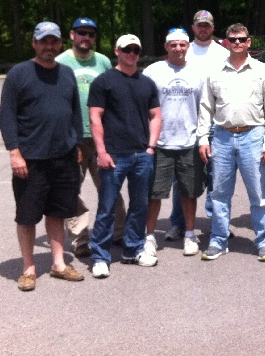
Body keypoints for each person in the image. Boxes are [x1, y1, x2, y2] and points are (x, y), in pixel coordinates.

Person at [0, 21, 85, 291]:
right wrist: (15, 152)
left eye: (54, 41)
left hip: (63, 156)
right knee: (27, 215)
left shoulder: (67, 73)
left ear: (60, 43)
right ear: (34, 43)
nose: (49, 46)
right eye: (44, 41)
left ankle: (58, 264)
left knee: (57, 212)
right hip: (30, 159)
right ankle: (28, 268)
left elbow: (74, 113)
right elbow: (6, 117)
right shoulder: (19, 74)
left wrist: (77, 144)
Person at [197, 23, 265, 261]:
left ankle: (264, 241)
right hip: (221, 136)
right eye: (232, 40)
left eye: (242, 39)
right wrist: (203, 138)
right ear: (226, 42)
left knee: (258, 194)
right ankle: (218, 240)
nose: (237, 44)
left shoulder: (262, 70)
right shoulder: (215, 71)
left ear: (249, 42)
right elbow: (205, 107)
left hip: (253, 136)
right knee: (219, 193)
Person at [87, 34, 162, 278]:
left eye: (136, 50)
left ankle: (133, 249)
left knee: (140, 205)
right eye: (127, 49)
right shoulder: (103, 81)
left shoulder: (147, 83)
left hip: (141, 154)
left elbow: (156, 116)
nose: (132, 54)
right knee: (107, 207)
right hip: (114, 154)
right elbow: (95, 117)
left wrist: (150, 148)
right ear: (117, 51)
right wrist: (101, 151)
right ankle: (100, 256)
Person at [56, 17, 125, 257]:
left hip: (101, 138)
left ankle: (120, 232)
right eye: (82, 33)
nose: (87, 38)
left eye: (91, 34)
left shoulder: (103, 62)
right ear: (72, 35)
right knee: (72, 190)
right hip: (72, 138)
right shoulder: (60, 62)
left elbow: (114, 95)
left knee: (110, 187)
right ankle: (81, 239)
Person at [164, 9, 229, 241]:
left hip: (214, 123)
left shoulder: (223, 53)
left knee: (216, 176)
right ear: (193, 27)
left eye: (207, 25)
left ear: (213, 28)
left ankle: (217, 223)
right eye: (199, 25)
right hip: (186, 123)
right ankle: (178, 223)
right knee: (180, 178)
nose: (203, 29)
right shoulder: (182, 48)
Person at [142, 28, 205, 258]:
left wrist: (203, 138)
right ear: (166, 47)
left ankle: (189, 234)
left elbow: (204, 108)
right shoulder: (153, 71)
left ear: (188, 46)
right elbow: (144, 104)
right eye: (173, 45)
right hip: (160, 143)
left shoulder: (198, 73)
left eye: (182, 44)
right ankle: (149, 236)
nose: (178, 49)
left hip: (189, 142)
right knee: (154, 193)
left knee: (189, 193)